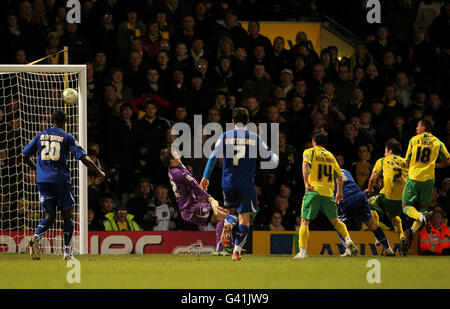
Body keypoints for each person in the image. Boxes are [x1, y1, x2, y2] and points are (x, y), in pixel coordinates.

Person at [21, 110, 105, 260]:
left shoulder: (40, 135)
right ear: (64, 122)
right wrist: (98, 171)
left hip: (43, 181)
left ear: (51, 121)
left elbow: (24, 156)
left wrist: (37, 169)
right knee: (67, 215)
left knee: (49, 216)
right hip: (60, 180)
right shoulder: (67, 137)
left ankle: (35, 237)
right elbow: (83, 158)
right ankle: (67, 252)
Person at [200, 107, 279, 261]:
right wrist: (275, 157)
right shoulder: (254, 137)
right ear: (248, 121)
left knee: (229, 210)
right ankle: (236, 251)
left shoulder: (225, 136)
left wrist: (205, 177)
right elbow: (271, 160)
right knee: (244, 217)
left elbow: (213, 157)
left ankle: (229, 221)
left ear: (233, 121)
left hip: (227, 183)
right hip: (245, 184)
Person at [294, 129, 358, 259]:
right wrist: (339, 192)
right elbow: (340, 176)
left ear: (313, 141)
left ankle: (302, 252)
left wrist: (306, 182)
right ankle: (348, 239)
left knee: (305, 221)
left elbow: (305, 164)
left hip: (314, 191)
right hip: (328, 193)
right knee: (335, 221)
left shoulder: (309, 152)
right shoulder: (330, 155)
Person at [402, 118, 450, 250]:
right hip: (429, 180)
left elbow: (407, 162)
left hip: (414, 178)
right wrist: (436, 165)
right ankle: (412, 230)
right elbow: (448, 161)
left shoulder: (413, 140)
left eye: (418, 126)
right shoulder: (437, 142)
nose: (416, 129)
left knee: (406, 206)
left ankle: (420, 217)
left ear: (423, 127)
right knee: (423, 208)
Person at [337, 169, 395, 257]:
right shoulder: (346, 171)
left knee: (339, 223)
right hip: (359, 194)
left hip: (344, 198)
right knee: (371, 224)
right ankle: (388, 249)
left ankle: (348, 249)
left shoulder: (330, 172)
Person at [366, 139, 409, 255]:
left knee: (369, 203)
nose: (384, 153)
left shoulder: (383, 160)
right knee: (393, 215)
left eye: (385, 151)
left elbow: (372, 178)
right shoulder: (406, 162)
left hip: (387, 197)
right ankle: (401, 236)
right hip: (403, 200)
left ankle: (377, 234)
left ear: (389, 151)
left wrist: (369, 189)